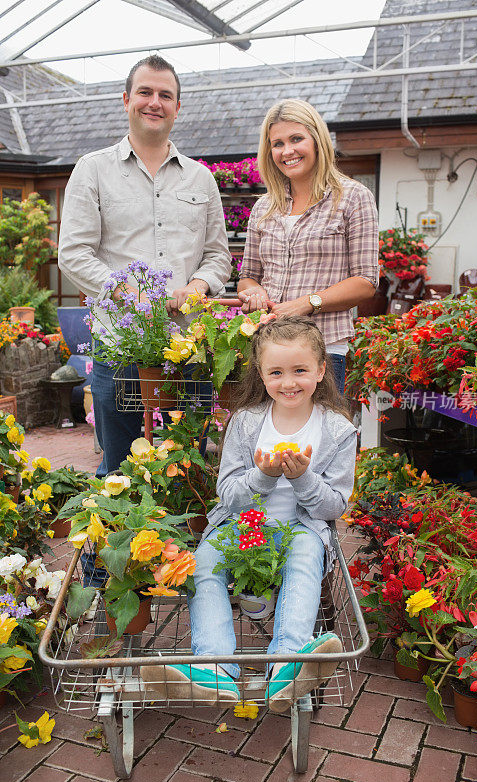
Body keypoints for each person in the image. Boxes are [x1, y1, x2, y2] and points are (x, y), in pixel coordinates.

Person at [141, 316, 356, 711]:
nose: (288, 382)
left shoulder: (338, 430)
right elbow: (228, 494)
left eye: (300, 371)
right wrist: (263, 476)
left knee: (306, 559)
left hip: (300, 528)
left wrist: (305, 479)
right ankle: (213, 667)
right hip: (241, 524)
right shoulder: (245, 422)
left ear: (322, 370)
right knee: (205, 562)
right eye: (276, 372)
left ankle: (287, 664)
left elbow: (334, 506)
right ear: (261, 373)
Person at [58, 55, 231, 477]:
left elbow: (218, 254)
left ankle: (180, 544)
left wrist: (200, 286)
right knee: (117, 466)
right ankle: (114, 540)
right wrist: (129, 291)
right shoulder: (93, 170)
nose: (155, 102)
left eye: (165, 95)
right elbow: (74, 253)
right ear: (126, 100)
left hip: (188, 344)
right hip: (119, 343)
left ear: (177, 107)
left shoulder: (200, 179)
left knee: (185, 465)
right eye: (145, 92)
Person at [237, 98, 379, 393]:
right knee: (268, 436)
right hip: (270, 351)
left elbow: (366, 282)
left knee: (318, 438)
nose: (287, 151)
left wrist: (308, 303)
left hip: (323, 350)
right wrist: (254, 292)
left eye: (296, 139)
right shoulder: (264, 206)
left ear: (317, 140)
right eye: (277, 143)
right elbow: (248, 275)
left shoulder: (352, 197)